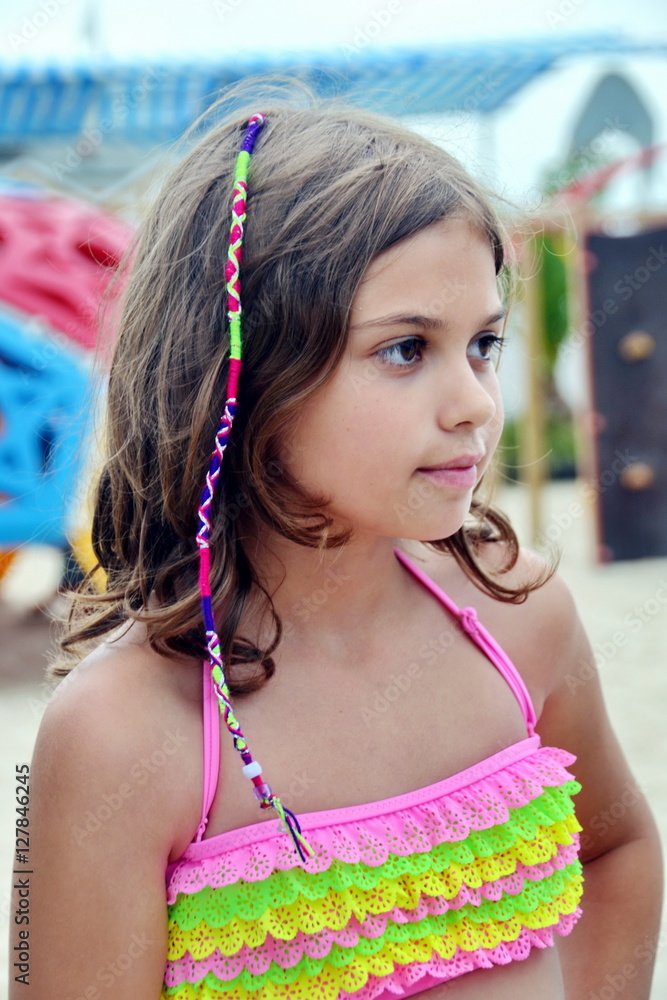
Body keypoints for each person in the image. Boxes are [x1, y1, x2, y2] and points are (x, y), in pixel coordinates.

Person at [14, 79, 662, 1000]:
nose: (476, 403)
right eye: (404, 349)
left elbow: (618, 846)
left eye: (482, 343)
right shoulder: (126, 735)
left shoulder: (520, 621)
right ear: (242, 377)